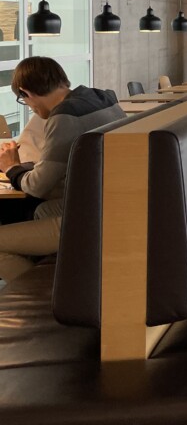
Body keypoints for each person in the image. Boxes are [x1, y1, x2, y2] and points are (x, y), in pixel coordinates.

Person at [0, 57, 125, 286]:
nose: (31, 108)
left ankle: (50, 297)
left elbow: (38, 186)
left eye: (24, 101)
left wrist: (11, 168)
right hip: (114, 206)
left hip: (91, 217)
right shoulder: (100, 98)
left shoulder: (65, 115)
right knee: (42, 212)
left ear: (25, 92)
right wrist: (23, 168)